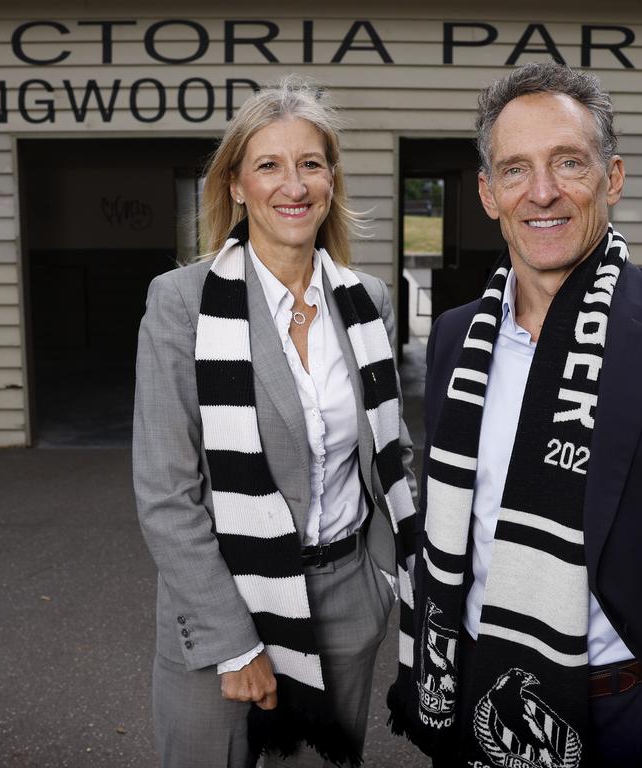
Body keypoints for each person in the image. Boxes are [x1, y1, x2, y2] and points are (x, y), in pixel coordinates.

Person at [387, 62, 642, 767]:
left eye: (568, 162)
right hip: (477, 699)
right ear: (488, 193)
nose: (542, 192)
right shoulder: (456, 337)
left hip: (630, 712)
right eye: (515, 170)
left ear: (612, 176)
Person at [133, 77, 417, 768]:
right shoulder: (182, 303)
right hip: (227, 601)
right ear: (235, 184)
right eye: (269, 165)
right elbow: (166, 494)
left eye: (311, 164)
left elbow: (391, 454)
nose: (293, 185)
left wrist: (385, 579)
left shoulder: (366, 300)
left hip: (346, 601)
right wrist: (234, 641)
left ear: (330, 179)